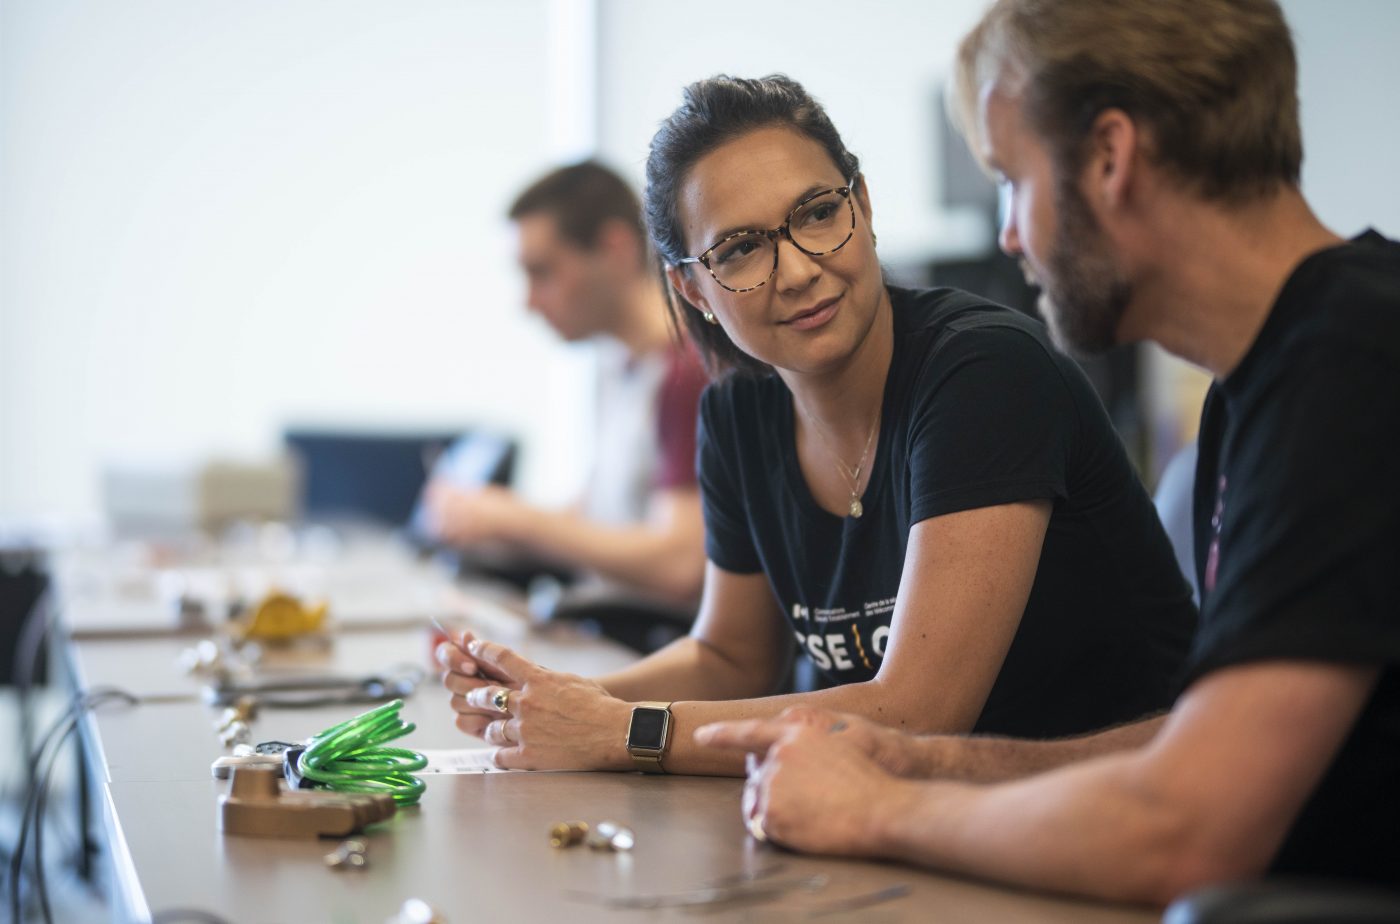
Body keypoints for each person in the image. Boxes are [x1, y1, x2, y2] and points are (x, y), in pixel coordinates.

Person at [698, 0, 1400, 904]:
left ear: (1110, 159)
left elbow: (1185, 835)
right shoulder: (1264, 382)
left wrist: (878, 807)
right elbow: (1193, 743)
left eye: (1011, 179)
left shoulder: (1354, 366)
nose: (1009, 235)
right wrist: (916, 760)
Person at [437, 75, 1196, 776]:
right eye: (739, 249)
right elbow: (731, 657)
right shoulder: (737, 412)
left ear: (862, 205)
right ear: (692, 290)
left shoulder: (983, 374)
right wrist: (563, 700)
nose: (798, 269)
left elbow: (917, 715)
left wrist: (619, 731)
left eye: (818, 214)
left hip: (1108, 814)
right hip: (910, 816)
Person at [423, 162, 708, 607]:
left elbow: (680, 563)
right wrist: (488, 522)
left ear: (616, 250)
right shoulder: (620, 367)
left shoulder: (687, 373)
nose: (529, 301)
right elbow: (597, 521)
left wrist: (520, 520)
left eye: (543, 272)